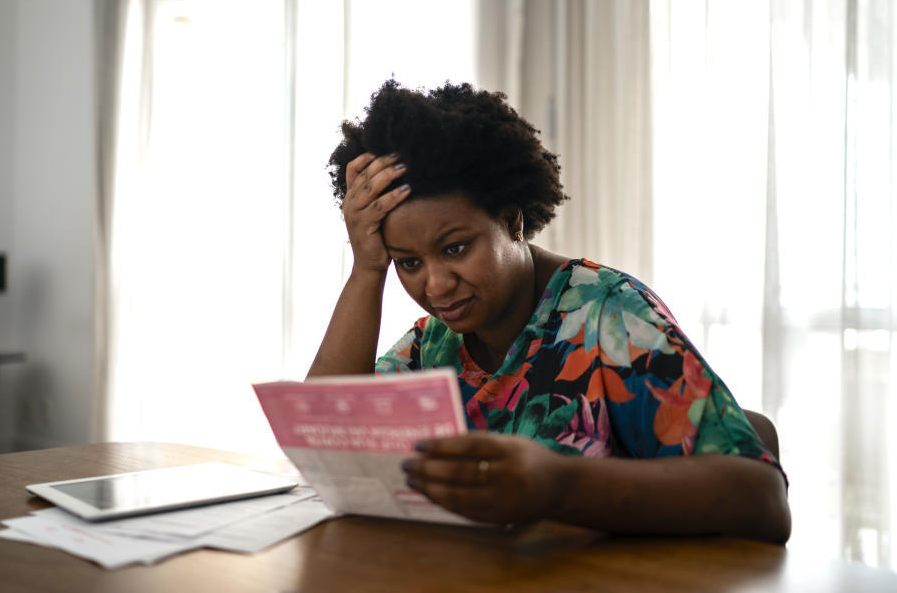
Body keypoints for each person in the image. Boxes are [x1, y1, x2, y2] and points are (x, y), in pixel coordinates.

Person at [308, 79, 791, 544]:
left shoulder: (608, 315)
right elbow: (323, 449)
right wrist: (367, 270)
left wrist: (558, 486)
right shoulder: (433, 342)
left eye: (455, 249)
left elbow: (762, 499)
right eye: (408, 262)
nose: (434, 285)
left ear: (512, 221)